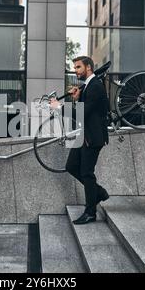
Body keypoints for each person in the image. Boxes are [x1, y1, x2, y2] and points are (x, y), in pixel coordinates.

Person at [50, 56, 110, 225]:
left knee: (86, 173)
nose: (75, 70)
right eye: (75, 67)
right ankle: (99, 193)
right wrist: (77, 100)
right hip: (84, 135)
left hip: (93, 137)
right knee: (71, 166)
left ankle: (90, 212)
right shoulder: (89, 86)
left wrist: (59, 107)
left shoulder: (95, 87)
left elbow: (82, 115)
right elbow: (84, 113)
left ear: (88, 68)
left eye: (78, 67)